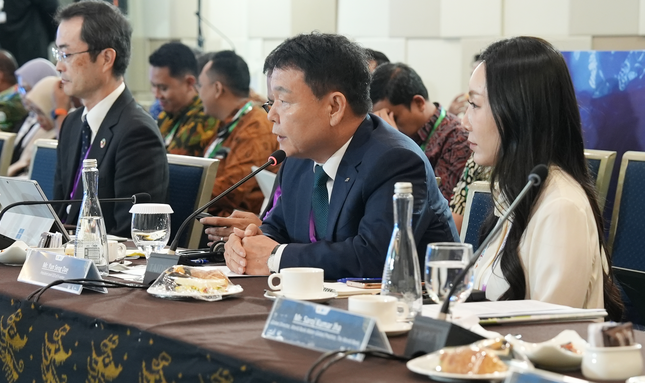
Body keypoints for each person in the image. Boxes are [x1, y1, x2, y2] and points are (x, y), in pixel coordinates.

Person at [223, 33, 458, 279]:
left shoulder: (396, 160)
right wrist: (246, 245)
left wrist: (276, 257)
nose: (271, 115)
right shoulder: (296, 159)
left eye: (284, 101)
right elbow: (277, 228)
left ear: (334, 107)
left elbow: (377, 257)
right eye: (271, 102)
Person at [466, 36, 622, 318]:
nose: (464, 121)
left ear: (515, 111)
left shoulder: (561, 207)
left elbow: (548, 331)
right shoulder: (515, 191)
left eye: (474, 105)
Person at [52, 0, 168, 237]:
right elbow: (59, 210)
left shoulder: (136, 133)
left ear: (106, 58)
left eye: (66, 54)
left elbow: (130, 236)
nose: (58, 66)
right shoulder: (74, 124)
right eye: (57, 53)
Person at [371, 63, 471, 201]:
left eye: (392, 117)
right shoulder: (410, 134)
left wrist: (397, 148)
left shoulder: (458, 139)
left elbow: (438, 207)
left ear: (419, 103)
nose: (387, 125)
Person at [197, 50, 278, 218]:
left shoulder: (255, 127)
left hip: (236, 227)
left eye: (201, 86)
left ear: (217, 88)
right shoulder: (227, 122)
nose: (199, 94)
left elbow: (233, 191)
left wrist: (185, 187)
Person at [149, 42, 220, 156]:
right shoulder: (166, 115)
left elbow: (168, 163)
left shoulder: (204, 118)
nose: (157, 95)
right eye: (153, 86)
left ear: (189, 82)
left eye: (163, 88)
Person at [10, 58, 58, 165]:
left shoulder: (55, 128)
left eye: (25, 89)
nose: (22, 95)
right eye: (20, 89)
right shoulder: (27, 119)